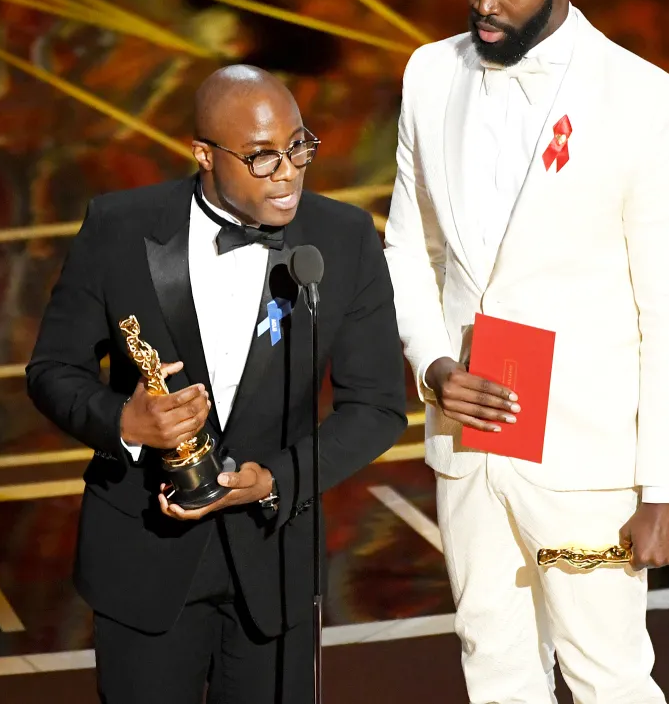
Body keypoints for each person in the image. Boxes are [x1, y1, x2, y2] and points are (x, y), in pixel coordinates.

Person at [383, 0, 669, 704]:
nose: (483, 1)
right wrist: (433, 368)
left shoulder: (649, 103)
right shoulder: (428, 75)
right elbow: (407, 247)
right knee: (491, 662)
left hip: (586, 456)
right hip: (467, 431)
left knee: (609, 679)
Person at [27, 65, 407, 704]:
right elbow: (52, 371)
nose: (287, 170)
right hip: (143, 559)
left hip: (275, 562)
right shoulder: (118, 227)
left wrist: (278, 479)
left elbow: (376, 407)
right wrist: (126, 422)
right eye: (260, 158)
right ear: (203, 154)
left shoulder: (343, 241)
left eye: (298, 146)